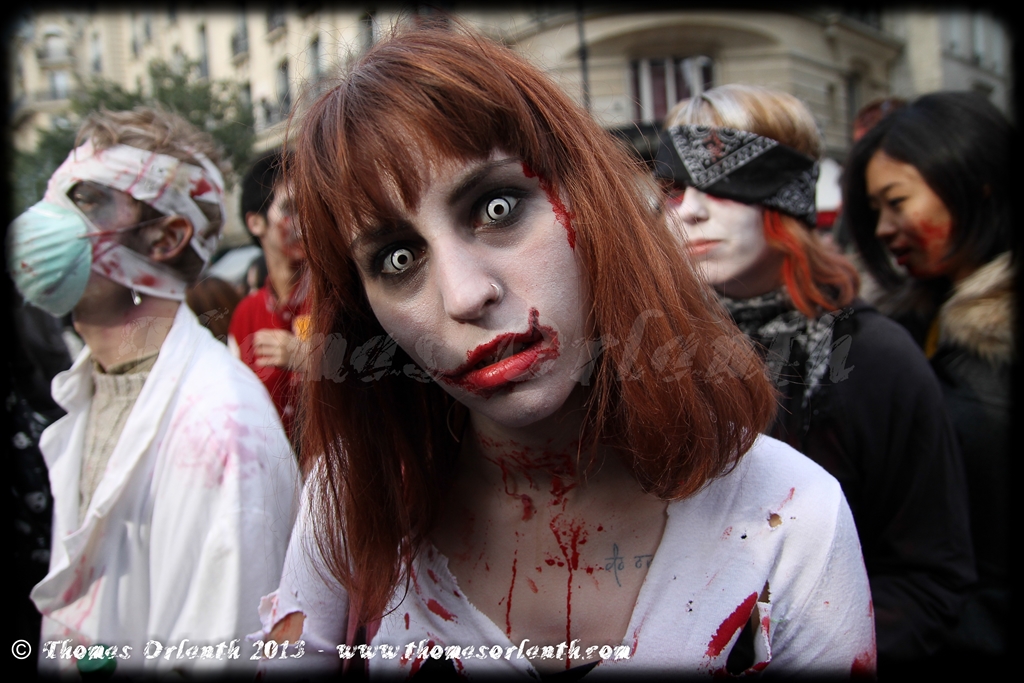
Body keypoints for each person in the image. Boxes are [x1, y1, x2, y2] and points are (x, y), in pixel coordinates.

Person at [251, 26, 875, 678]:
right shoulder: (356, 494)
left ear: (591, 200)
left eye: (497, 207)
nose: (465, 294)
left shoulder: (790, 517)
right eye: (398, 258)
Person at [658, 85, 976, 676]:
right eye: (674, 187)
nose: (690, 211)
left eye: (720, 180)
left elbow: (929, 577)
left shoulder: (875, 359)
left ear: (786, 191)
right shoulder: (651, 351)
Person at [6, 107, 300, 676]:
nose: (47, 219)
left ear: (167, 238)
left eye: (84, 199)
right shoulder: (91, 389)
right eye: (53, 195)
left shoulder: (223, 432)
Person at [843, 91, 1013, 668]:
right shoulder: (897, 330)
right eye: (875, 210)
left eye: (897, 202)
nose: (885, 229)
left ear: (975, 181)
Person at [229, 149, 309, 442]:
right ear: (256, 223)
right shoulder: (245, 316)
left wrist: (317, 361)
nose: (307, 220)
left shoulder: (345, 295)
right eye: (292, 208)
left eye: (313, 206)